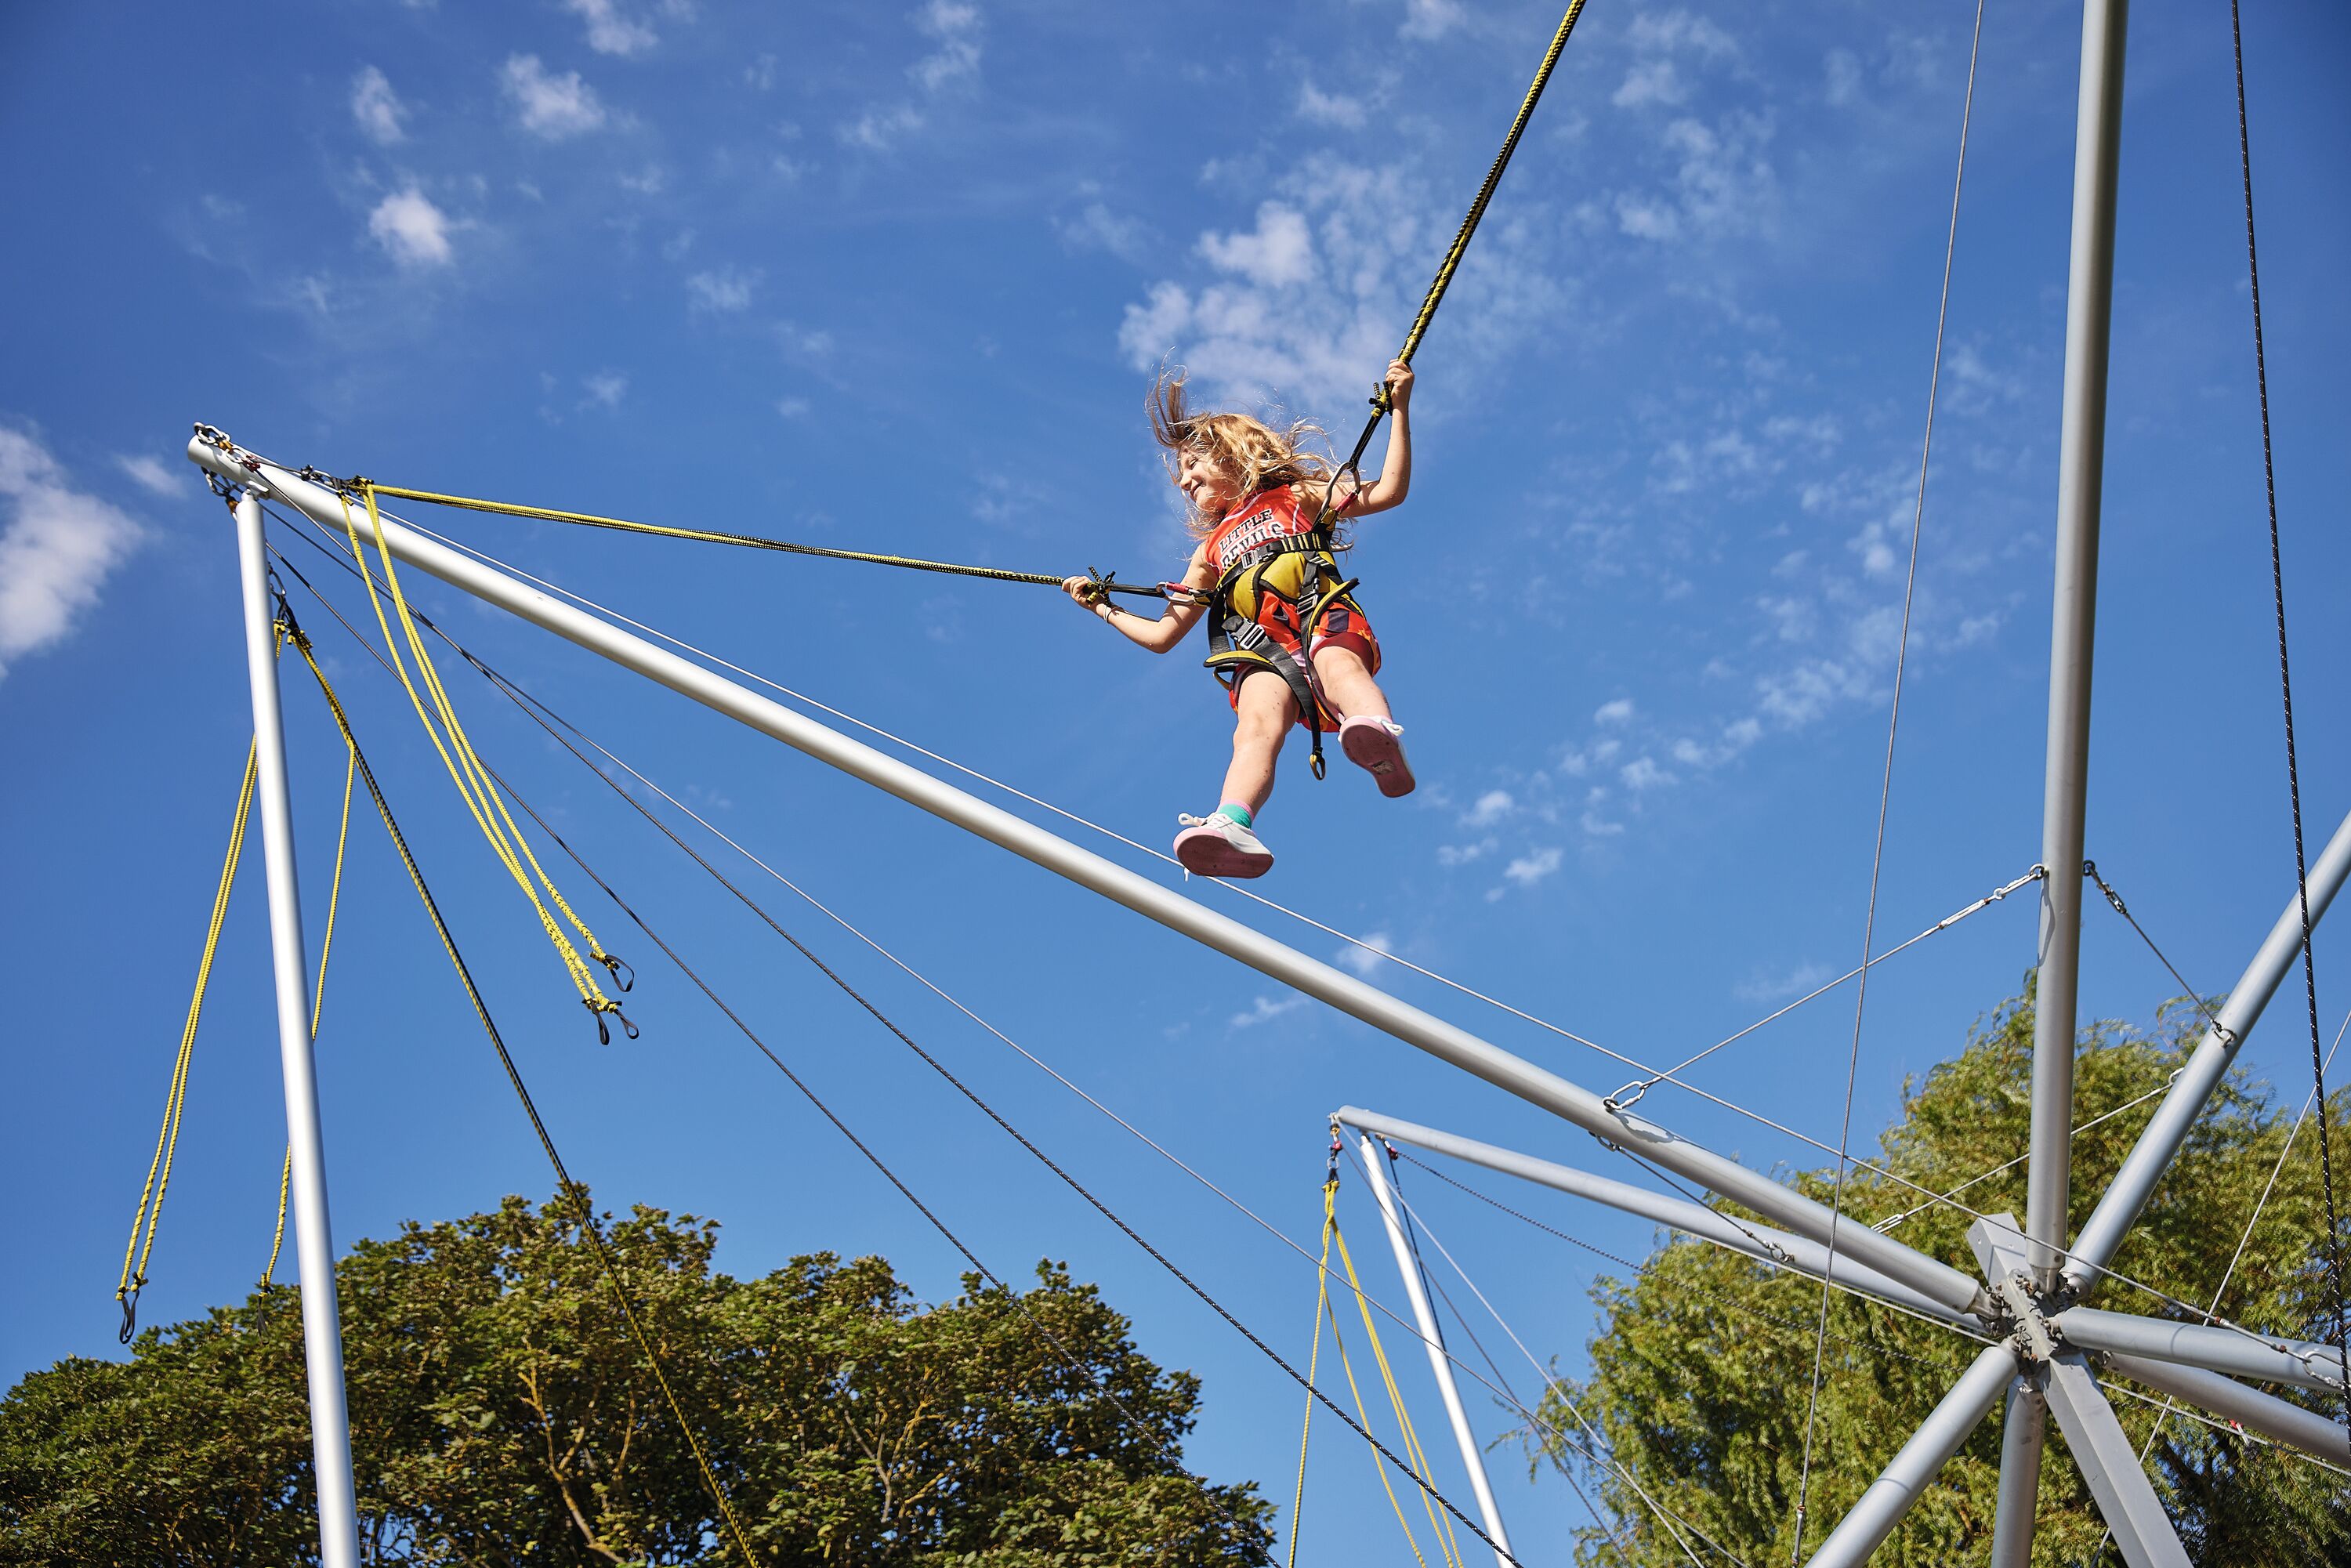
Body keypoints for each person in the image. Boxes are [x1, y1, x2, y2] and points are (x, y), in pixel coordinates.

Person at [1064, 360, 1417, 879]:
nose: (1185, 482)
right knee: (1253, 726)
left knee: (1338, 666)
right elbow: (1163, 635)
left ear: (1232, 454)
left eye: (1193, 465)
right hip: (1265, 649)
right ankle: (1233, 823)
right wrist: (1102, 607)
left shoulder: (1297, 497)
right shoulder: (1208, 552)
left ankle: (1373, 729)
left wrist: (1399, 409)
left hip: (1318, 613)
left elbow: (1388, 491)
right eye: (1180, 475)